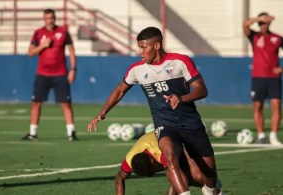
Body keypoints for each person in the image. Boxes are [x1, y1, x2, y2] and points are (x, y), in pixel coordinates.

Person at [88, 27, 219, 195]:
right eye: (139, 47)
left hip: (191, 123)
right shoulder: (137, 70)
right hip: (165, 124)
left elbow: (202, 90)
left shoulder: (180, 62)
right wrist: (102, 113)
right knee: (170, 157)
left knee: (208, 178)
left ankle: (212, 189)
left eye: (144, 47)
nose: (140, 52)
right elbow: (120, 90)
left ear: (157, 46)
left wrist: (182, 99)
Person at [22, 9, 78, 141]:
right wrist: (42, 45)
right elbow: (30, 53)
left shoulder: (63, 32)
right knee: (36, 103)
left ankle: (71, 133)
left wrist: (73, 69)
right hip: (42, 74)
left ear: (54, 18)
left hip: (60, 74)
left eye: (52, 17)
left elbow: (71, 51)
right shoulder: (38, 33)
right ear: (44, 19)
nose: (50, 20)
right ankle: (33, 133)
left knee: (65, 104)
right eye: (47, 18)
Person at [115, 132, 223, 195]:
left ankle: (214, 186)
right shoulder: (130, 160)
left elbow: (174, 178)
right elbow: (119, 178)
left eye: (153, 171)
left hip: (178, 139)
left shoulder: (161, 153)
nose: (154, 173)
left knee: (196, 177)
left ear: (152, 161)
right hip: (159, 142)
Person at [243, 12, 283, 145]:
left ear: (269, 23)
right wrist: (259, 18)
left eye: (265, 22)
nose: (263, 25)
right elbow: (245, 25)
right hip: (258, 77)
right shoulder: (254, 36)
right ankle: (261, 136)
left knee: (276, 106)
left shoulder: (277, 38)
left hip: (274, 78)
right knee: (257, 106)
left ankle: (273, 136)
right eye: (261, 23)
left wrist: (282, 69)